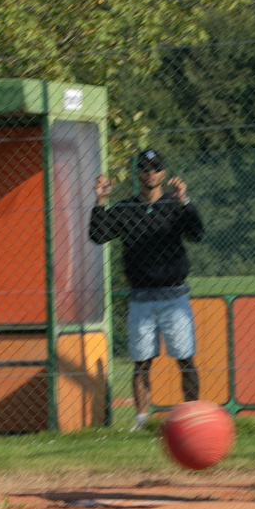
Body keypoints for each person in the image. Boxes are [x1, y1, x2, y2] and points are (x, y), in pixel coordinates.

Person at [89, 149, 204, 432]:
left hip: (174, 297)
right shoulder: (127, 209)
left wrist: (185, 201)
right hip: (141, 299)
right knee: (141, 362)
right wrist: (102, 199)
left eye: (155, 168)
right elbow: (98, 235)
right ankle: (142, 421)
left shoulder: (174, 205)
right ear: (138, 173)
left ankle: (192, 416)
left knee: (185, 358)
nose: (150, 172)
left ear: (163, 173)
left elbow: (197, 232)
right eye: (144, 168)